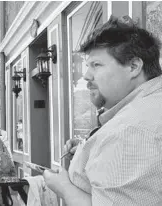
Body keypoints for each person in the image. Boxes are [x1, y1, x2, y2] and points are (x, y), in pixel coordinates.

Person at [43, 15, 162, 206]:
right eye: (87, 65)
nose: (86, 75)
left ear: (133, 66)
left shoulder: (129, 131)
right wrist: (88, 151)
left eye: (96, 65)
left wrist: (64, 187)